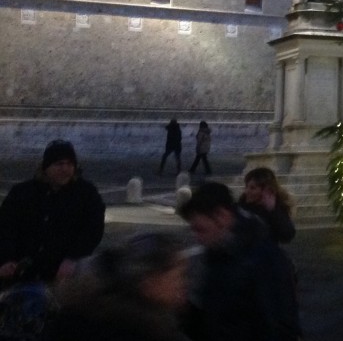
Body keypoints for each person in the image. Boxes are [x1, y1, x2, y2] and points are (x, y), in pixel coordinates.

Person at [178, 182, 301, 341]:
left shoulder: (263, 259)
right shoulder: (218, 251)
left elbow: (278, 326)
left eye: (201, 229)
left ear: (221, 216)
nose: (198, 238)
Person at [44, 231, 190, 341]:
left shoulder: (77, 314)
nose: (183, 283)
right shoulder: (153, 331)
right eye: (178, 276)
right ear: (149, 283)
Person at [0, 140, 105, 284]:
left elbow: (93, 229)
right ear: (46, 167)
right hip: (21, 270)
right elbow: (6, 227)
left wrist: (73, 258)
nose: (65, 169)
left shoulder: (86, 194)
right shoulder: (22, 193)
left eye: (69, 164)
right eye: (59, 164)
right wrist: (7, 259)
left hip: (62, 273)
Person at [238, 168, 296, 244]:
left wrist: (273, 210)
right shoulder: (242, 206)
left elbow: (287, 235)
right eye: (246, 187)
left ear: (266, 190)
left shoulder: (276, 209)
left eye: (252, 188)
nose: (246, 191)